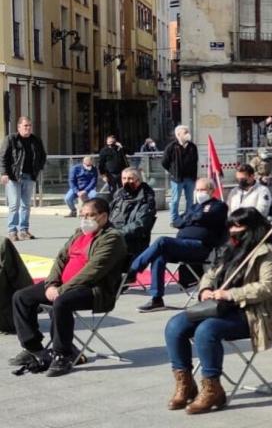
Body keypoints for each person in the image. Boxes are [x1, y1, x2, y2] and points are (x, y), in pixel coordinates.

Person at [163, 207, 272, 414]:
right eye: (231, 226)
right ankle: (185, 383)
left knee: (207, 331)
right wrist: (205, 289)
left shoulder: (268, 252)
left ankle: (212, 388)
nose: (234, 230)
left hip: (251, 313)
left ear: (252, 228)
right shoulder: (229, 248)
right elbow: (211, 272)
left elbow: (267, 287)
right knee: (175, 325)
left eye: (239, 226)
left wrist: (231, 294)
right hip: (217, 307)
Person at [8, 198, 126, 377]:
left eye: (90, 215)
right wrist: (52, 283)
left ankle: (63, 354)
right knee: (21, 296)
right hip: (61, 285)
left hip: (93, 290)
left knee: (62, 302)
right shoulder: (79, 233)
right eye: (83, 215)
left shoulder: (112, 238)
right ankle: (34, 348)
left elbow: (93, 271)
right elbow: (61, 258)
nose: (85, 219)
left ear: (103, 216)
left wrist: (60, 291)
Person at [129, 178, 229, 312]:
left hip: (201, 247)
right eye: (197, 190)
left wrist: (191, 218)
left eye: (202, 190)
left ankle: (133, 269)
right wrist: (193, 218)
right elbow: (177, 222)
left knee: (162, 240)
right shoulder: (194, 206)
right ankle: (156, 299)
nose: (199, 193)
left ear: (211, 191)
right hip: (182, 246)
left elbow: (202, 218)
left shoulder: (219, 206)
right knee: (159, 256)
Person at [1, 117, 47, 241]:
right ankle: (12, 231)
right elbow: (3, 157)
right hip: (14, 176)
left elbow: (42, 155)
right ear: (19, 127)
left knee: (26, 205)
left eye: (30, 125)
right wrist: (4, 173)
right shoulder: (11, 139)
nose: (28, 128)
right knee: (14, 205)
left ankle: (24, 230)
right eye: (25, 125)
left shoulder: (36, 140)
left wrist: (38, 168)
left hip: (30, 176)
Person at [109, 168, 158, 263]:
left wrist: (115, 234)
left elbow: (140, 225)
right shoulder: (118, 195)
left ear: (138, 180)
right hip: (112, 239)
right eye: (124, 178)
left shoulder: (146, 199)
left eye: (130, 178)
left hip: (132, 243)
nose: (126, 181)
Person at [162, 125, 199, 226]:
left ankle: (189, 217)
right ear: (178, 134)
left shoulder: (192, 146)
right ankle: (174, 219)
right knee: (175, 200)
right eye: (185, 132)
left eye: (188, 131)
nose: (188, 134)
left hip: (190, 178)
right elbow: (164, 162)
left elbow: (195, 161)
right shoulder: (171, 147)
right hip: (177, 179)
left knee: (190, 199)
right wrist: (173, 171)